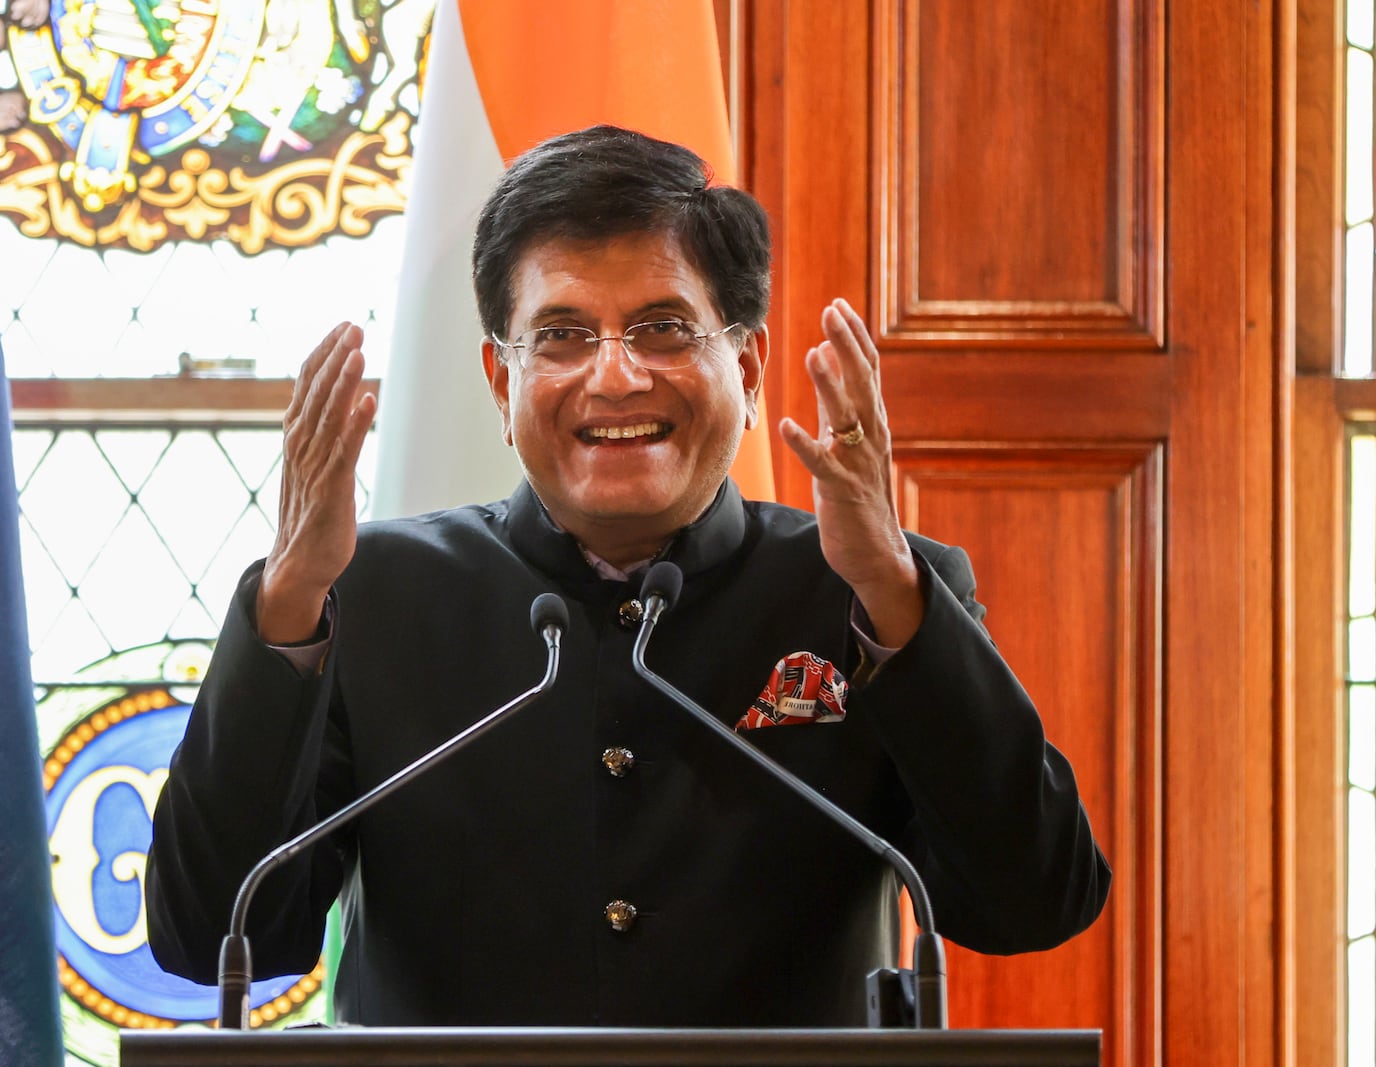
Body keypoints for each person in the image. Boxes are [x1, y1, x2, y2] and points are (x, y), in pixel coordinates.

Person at [145, 125, 1110, 1027]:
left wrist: (896, 601)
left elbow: (1033, 900)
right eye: (561, 335)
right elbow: (210, 934)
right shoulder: (370, 595)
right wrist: (286, 610)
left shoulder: (865, 593)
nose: (615, 378)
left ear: (750, 360)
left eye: (662, 328)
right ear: (499, 378)